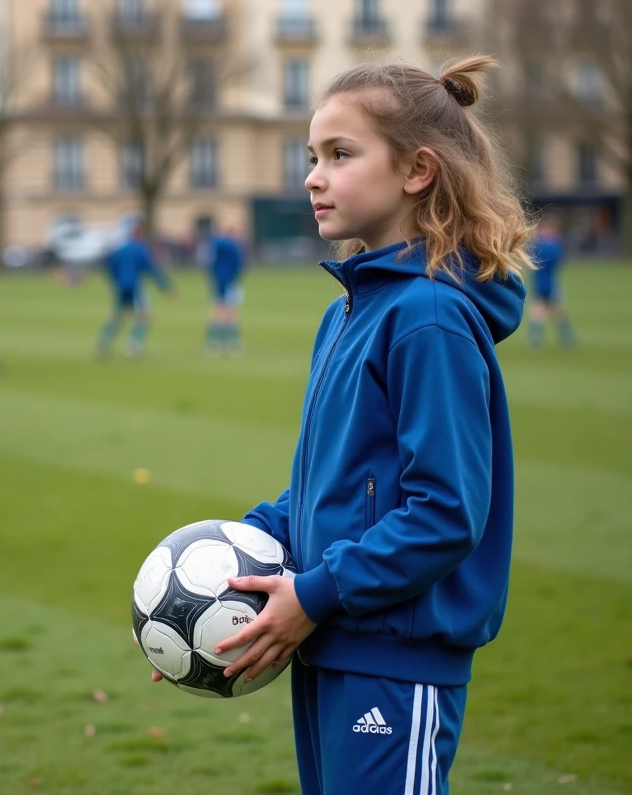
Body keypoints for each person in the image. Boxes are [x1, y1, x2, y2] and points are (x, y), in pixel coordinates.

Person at [147, 56, 531, 794]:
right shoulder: (348, 311)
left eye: (339, 155)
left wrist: (316, 594)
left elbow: (446, 513)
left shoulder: (429, 318)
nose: (312, 177)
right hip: (331, 642)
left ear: (418, 170)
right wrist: (207, 594)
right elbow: (329, 487)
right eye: (311, 158)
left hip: (394, 656)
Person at [97, 224, 173, 359]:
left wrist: (116, 283)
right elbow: (151, 269)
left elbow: (110, 268)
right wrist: (165, 286)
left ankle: (104, 340)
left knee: (118, 315)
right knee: (145, 316)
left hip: (121, 286)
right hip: (134, 286)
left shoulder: (120, 250)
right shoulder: (141, 250)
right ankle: (133, 344)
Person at [528, 213, 576, 350]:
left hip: (544, 281)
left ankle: (541, 340)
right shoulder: (552, 245)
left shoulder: (543, 245)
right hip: (547, 281)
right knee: (548, 310)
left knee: (546, 310)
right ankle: (565, 339)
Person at [205, 226, 246, 357]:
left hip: (218, 281)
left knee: (217, 311)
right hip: (229, 282)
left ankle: (213, 342)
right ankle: (232, 342)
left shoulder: (214, 245)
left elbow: (209, 264)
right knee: (229, 313)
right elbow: (238, 265)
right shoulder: (232, 247)